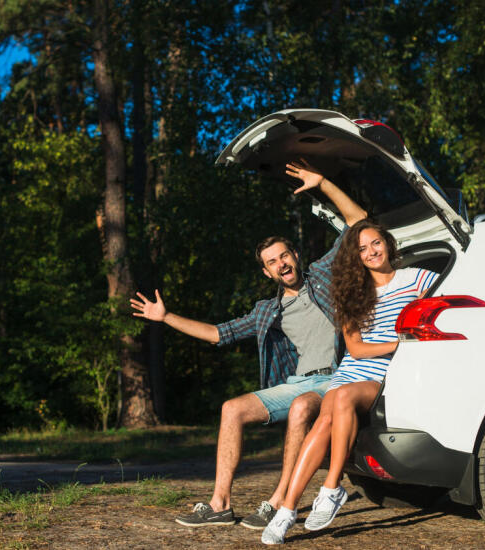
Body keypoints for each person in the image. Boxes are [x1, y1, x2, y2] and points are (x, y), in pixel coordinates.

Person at [130, 160, 367, 529]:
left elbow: (358, 223)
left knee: (304, 407)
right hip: (296, 382)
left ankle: (277, 502)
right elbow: (216, 333)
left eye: (285, 256)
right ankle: (220, 504)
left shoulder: (322, 274)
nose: (282, 264)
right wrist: (166, 318)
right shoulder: (266, 311)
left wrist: (322, 182)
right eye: (272, 262)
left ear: (296, 256)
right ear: (266, 272)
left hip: (334, 380)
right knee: (231, 409)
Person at [261, 218, 438, 545]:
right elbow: (355, 347)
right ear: (355, 257)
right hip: (351, 370)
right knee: (324, 418)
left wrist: (417, 340)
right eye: (362, 248)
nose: (371, 252)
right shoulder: (352, 293)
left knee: (339, 400)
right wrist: (399, 343)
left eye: (376, 243)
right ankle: (287, 509)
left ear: (388, 242)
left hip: (386, 374)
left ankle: (331, 489)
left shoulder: (417, 279)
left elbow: (450, 305)